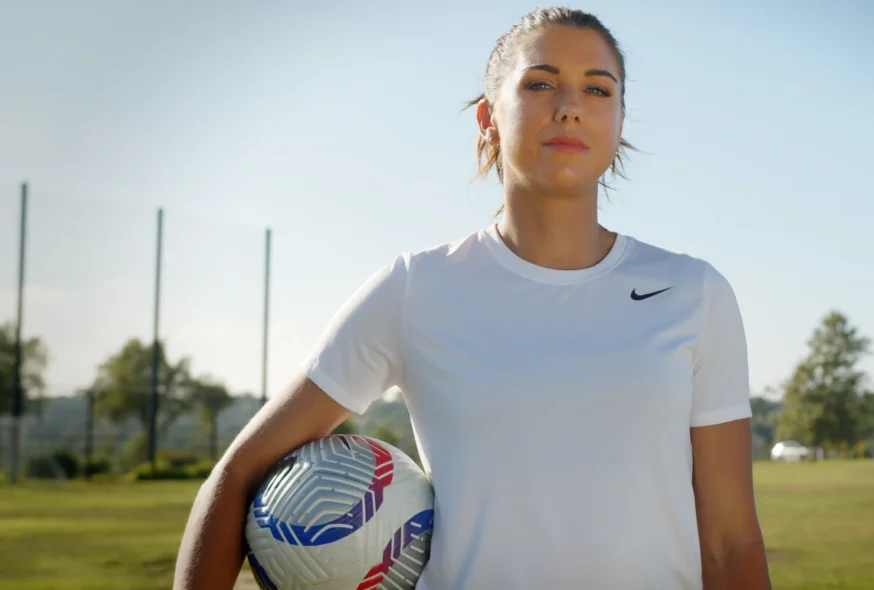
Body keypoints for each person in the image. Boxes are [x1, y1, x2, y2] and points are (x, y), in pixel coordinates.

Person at [173, 7, 770, 589]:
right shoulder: (415, 288)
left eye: (597, 90)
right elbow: (238, 474)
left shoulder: (694, 292)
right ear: (487, 117)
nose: (569, 108)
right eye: (540, 83)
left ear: (618, 120)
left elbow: (729, 542)